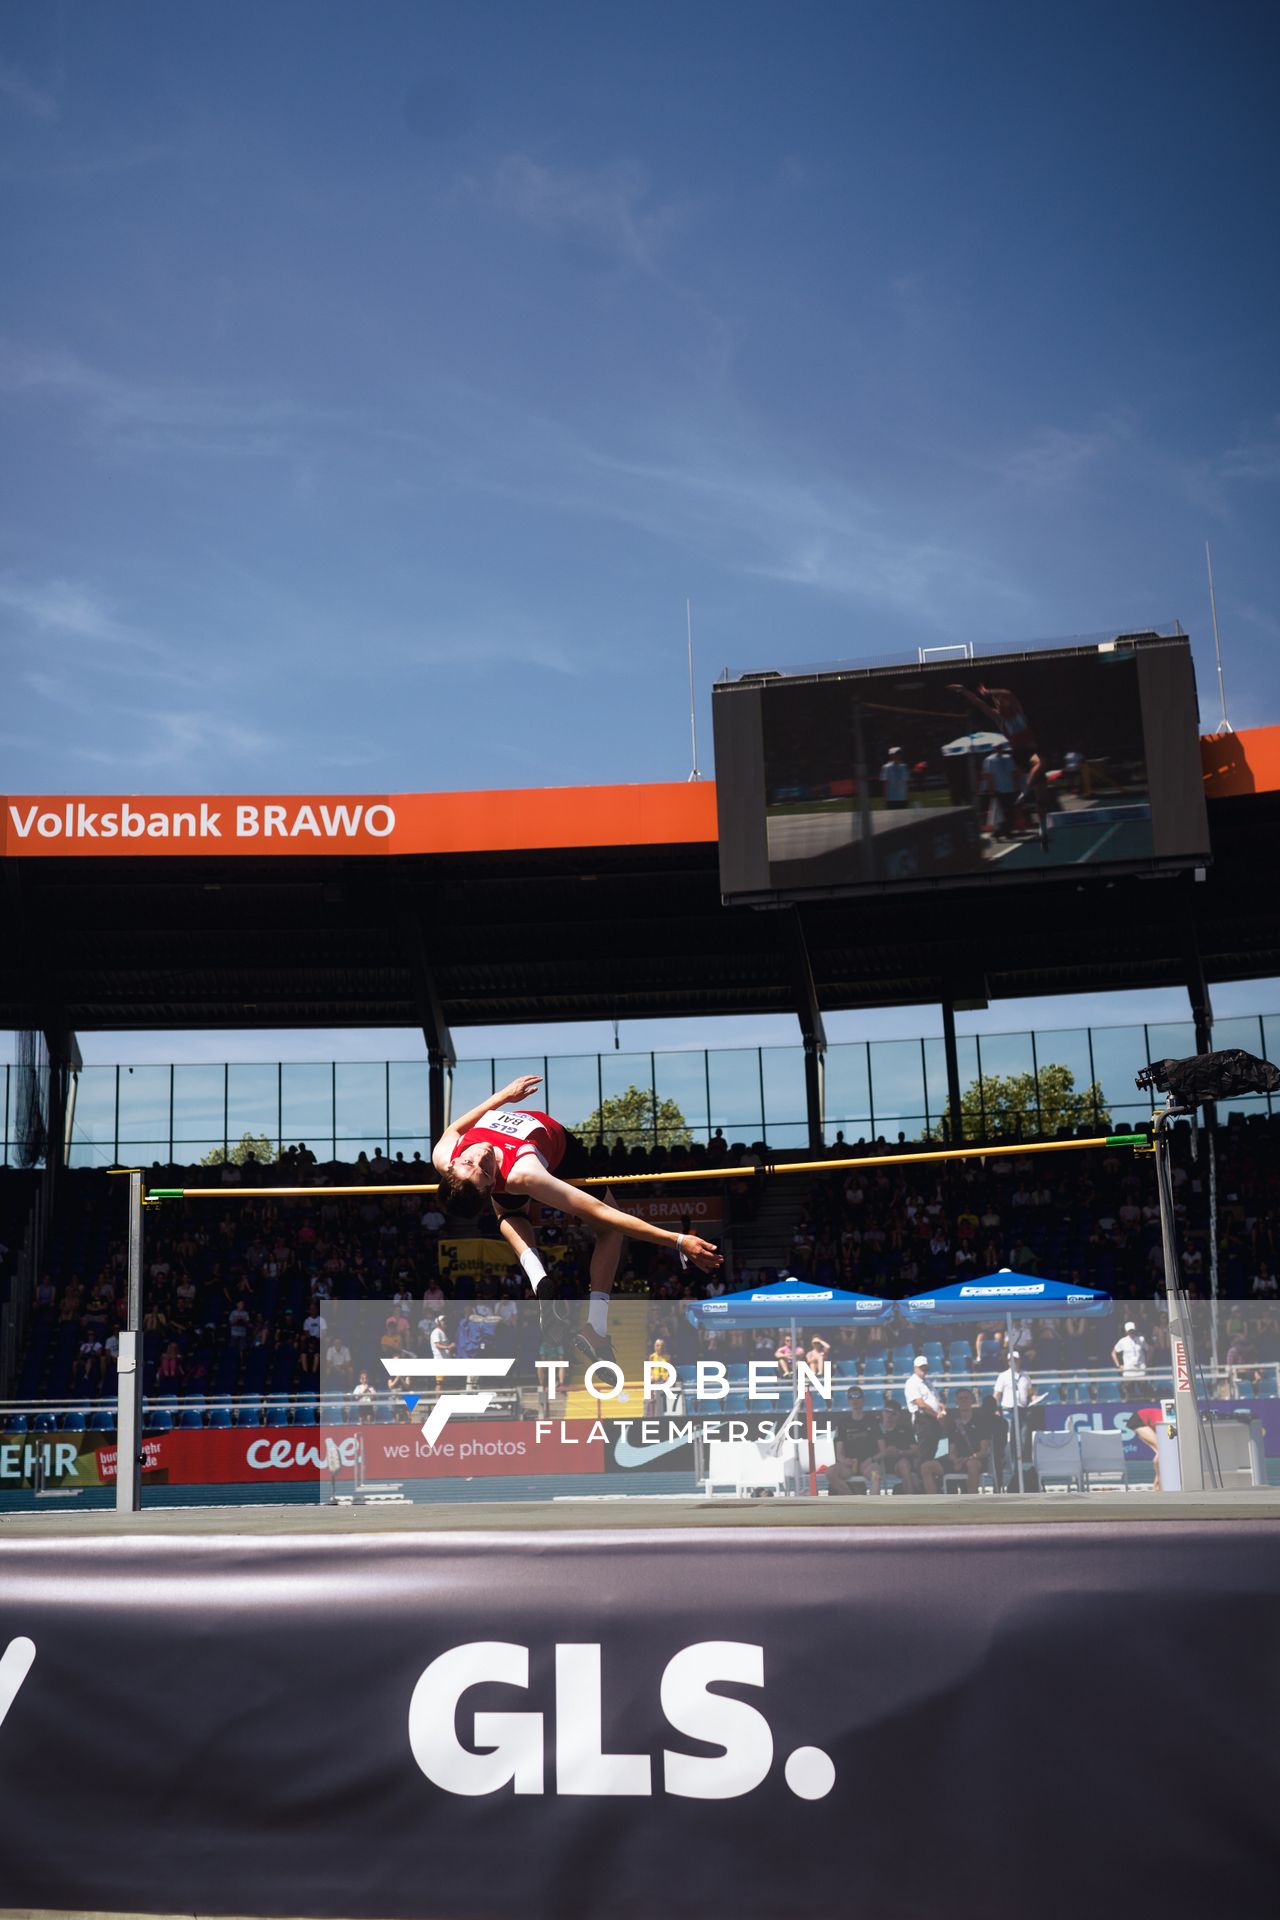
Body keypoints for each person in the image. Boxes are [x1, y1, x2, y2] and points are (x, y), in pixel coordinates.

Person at [432, 1073, 720, 1367]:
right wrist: (678, 1240)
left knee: (508, 1211)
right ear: (491, 1184)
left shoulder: (443, 1154)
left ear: (451, 1164)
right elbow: (601, 1211)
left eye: (472, 1161)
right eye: (486, 1169)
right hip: (561, 1153)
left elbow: (457, 1126)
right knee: (609, 1230)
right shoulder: (523, 1173)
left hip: (527, 1160)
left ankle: (539, 1278)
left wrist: (505, 1096)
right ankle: (595, 1326)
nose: (483, 1155)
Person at [949, 681, 1051, 848]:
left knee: (1042, 796)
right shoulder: (999, 718)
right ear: (999, 707)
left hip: (1032, 752)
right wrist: (963, 691)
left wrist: (988, 691)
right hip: (1021, 754)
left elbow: (1008, 692)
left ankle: (1043, 831)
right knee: (1042, 761)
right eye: (1001, 703)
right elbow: (979, 704)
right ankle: (1024, 793)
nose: (1005, 704)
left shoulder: (1018, 711)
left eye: (1006, 702)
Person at [920, 1387, 984, 1495]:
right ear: (956, 1402)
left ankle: (973, 1502)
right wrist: (954, 1459)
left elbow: (984, 1450)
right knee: (926, 1467)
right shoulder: (953, 1424)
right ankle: (934, 1504)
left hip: (974, 1460)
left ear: (972, 1400)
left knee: (972, 1465)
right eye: (960, 1398)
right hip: (956, 1462)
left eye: (966, 1398)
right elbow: (951, 1448)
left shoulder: (980, 1422)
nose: (963, 1401)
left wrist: (967, 1459)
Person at [824, 1387, 883, 1495]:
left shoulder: (873, 1421)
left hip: (868, 1464)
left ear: (863, 1399)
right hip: (850, 1466)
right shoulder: (843, 1423)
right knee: (830, 1472)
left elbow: (883, 1449)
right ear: (848, 1401)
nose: (855, 1401)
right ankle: (851, 1500)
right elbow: (839, 1452)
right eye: (851, 1398)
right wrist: (844, 1461)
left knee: (876, 1475)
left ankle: (874, 1506)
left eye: (858, 1397)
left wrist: (872, 1459)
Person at [1112, 1320, 1148, 1399]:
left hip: (1140, 1370)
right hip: (1128, 1371)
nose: (1131, 1332)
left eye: (1132, 1330)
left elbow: (1148, 1349)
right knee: (1130, 1394)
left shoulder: (1141, 1339)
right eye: (1129, 1331)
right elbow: (1114, 1353)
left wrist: (1148, 1362)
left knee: (1144, 1393)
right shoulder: (1123, 1341)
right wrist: (1118, 1366)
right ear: (1126, 1331)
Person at [879, 746, 911, 810]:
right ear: (891, 755)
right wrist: (885, 798)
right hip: (891, 798)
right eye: (895, 754)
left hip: (902, 798)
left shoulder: (904, 767)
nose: (897, 756)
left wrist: (908, 796)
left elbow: (906, 783)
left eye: (899, 754)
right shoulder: (886, 767)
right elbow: (885, 784)